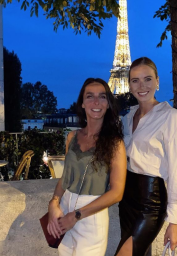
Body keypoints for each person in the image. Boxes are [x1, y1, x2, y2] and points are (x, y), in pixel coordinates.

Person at [115, 57, 177, 256]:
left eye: (147, 79)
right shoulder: (128, 118)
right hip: (127, 200)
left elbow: (176, 171)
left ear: (157, 81)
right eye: (135, 80)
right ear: (129, 84)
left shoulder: (171, 118)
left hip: (150, 202)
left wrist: (174, 221)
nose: (141, 86)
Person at [47, 78, 127, 256]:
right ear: (82, 103)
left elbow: (117, 193)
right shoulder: (72, 137)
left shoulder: (115, 143)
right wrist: (53, 203)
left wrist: (76, 216)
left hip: (91, 215)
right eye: (90, 96)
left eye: (102, 97)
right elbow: (66, 178)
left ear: (108, 104)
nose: (96, 102)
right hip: (65, 210)